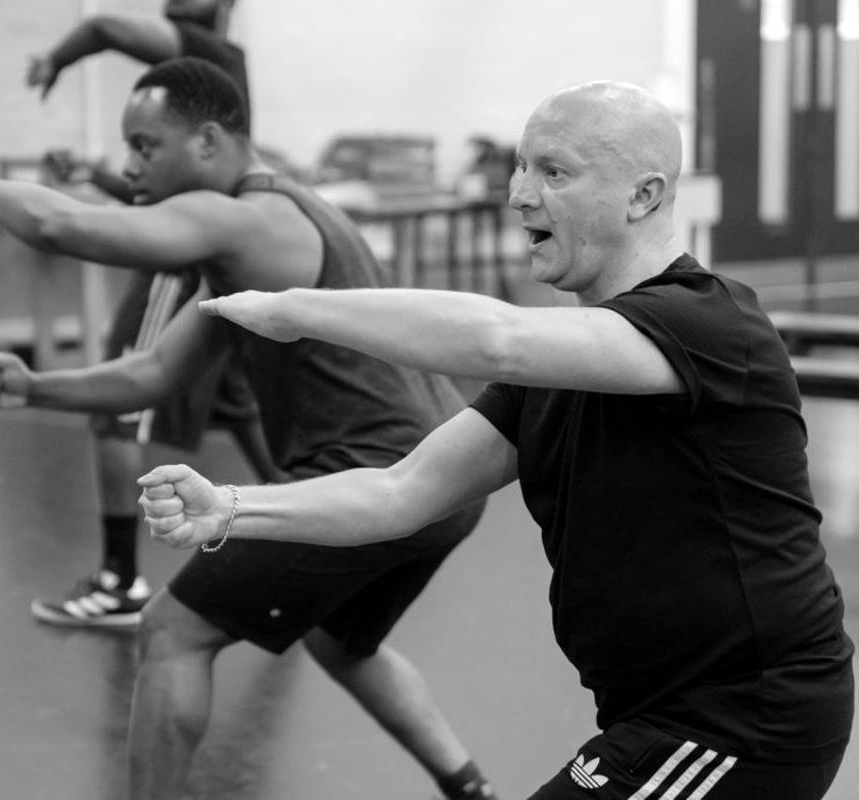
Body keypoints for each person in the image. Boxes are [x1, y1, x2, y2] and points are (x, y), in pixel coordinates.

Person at [140, 80, 854, 799]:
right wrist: (228, 507)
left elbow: (494, 338)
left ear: (641, 197)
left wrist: (297, 307)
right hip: (650, 711)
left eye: (553, 171)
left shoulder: (709, 325)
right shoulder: (560, 366)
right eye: (519, 166)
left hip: (742, 718)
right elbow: (398, 493)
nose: (517, 194)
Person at [0, 58, 498, 800]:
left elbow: (59, 224)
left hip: (378, 472)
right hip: (447, 478)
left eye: (146, 146)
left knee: (173, 631)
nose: (130, 165)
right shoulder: (253, 240)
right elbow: (151, 375)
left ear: (207, 142)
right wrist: (34, 387)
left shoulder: (249, 218)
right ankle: (469, 788)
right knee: (341, 643)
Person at [24, 0, 281, 627]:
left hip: (180, 267)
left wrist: (53, 59)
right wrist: (100, 177)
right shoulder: (214, 80)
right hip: (207, 260)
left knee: (114, 409)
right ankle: (319, 532)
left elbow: (107, 25)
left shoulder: (211, 56)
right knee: (236, 405)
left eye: (144, 145)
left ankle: (120, 579)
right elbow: (164, 192)